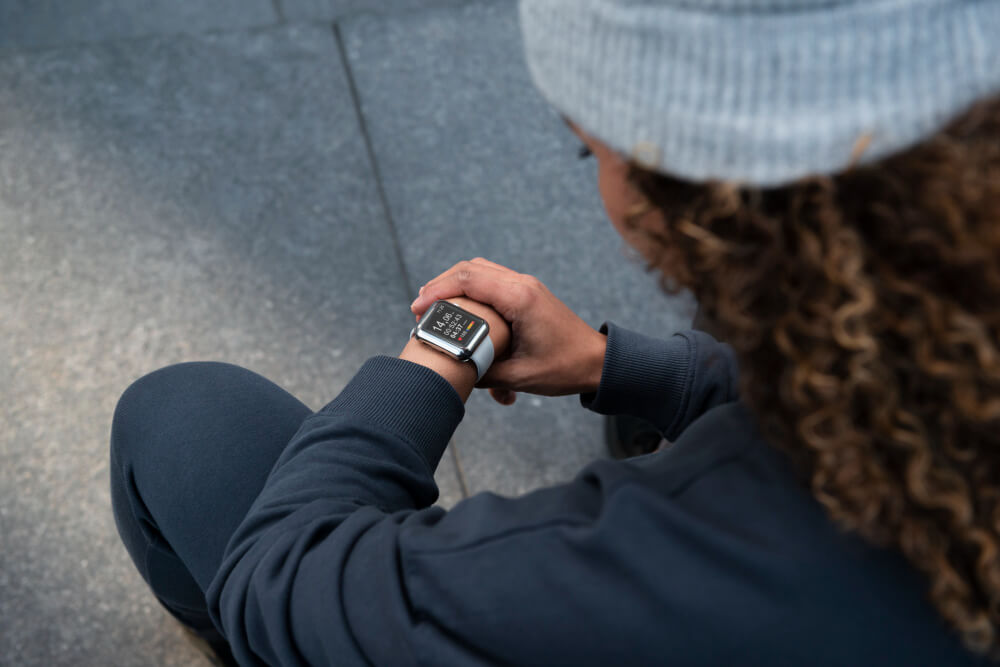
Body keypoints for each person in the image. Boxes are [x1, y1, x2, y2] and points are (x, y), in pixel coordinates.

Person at [110, 0, 1000, 664]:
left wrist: (431, 365)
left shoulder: (699, 548)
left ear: (696, 195)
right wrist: (636, 371)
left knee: (183, 415)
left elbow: (282, 579)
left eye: (596, 149)